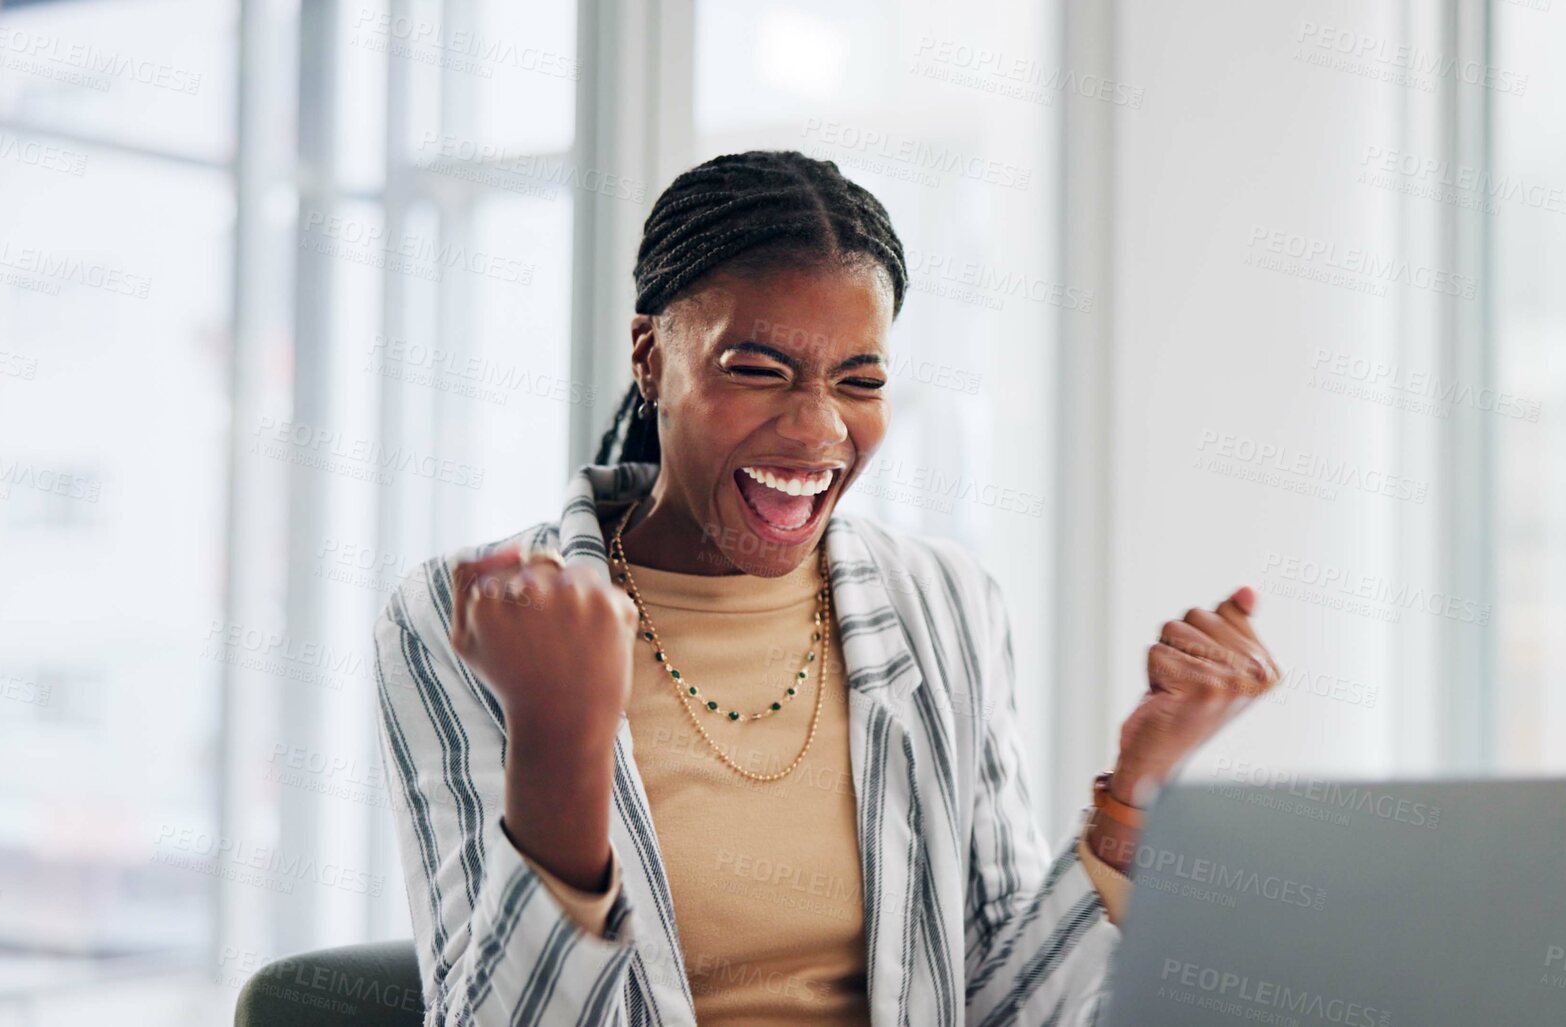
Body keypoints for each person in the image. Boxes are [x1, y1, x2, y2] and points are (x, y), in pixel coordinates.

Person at [372, 149, 1281, 1026]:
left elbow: (1002, 1008)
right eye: (757, 369)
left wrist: (1139, 779)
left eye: (860, 380)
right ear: (650, 356)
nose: (816, 431)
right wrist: (561, 737)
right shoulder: (478, 619)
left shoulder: (942, 602)